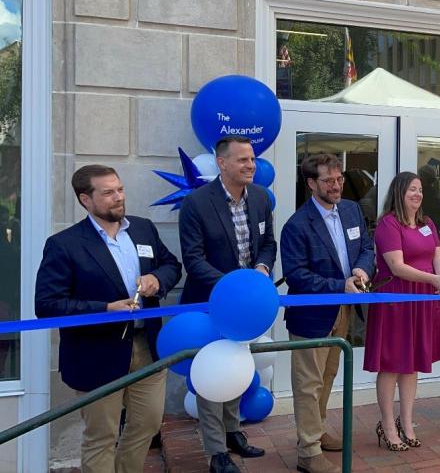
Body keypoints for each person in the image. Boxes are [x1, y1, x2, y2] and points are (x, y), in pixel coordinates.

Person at [35, 165, 182, 473]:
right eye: (108, 193)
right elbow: (47, 305)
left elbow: (171, 264)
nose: (119, 197)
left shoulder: (143, 228)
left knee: (148, 424)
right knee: (101, 436)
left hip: (148, 348)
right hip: (96, 355)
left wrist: (158, 277)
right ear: (85, 200)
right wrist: (104, 309)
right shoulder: (64, 244)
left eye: (120, 189)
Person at [179, 135, 277, 473]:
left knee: (237, 366)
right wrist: (232, 287)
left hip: (246, 305)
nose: (251, 165)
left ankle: (233, 432)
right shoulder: (196, 204)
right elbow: (193, 260)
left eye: (252, 159)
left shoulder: (262, 198)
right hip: (210, 303)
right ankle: (216, 452)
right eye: (243, 160)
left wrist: (263, 268)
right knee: (212, 375)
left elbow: (268, 243)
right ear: (221, 163)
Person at [281, 154, 375, 473]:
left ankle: (317, 430)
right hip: (312, 314)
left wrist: (361, 270)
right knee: (308, 382)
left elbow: (366, 247)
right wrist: (340, 284)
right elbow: (296, 275)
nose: (336, 187)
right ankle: (308, 452)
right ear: (311, 184)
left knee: (327, 375)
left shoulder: (350, 210)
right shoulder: (296, 225)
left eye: (339, 180)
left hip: (344, 310)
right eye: (328, 181)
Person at [364, 171, 440, 452]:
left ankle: (408, 422)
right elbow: (397, 266)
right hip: (397, 299)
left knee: (412, 362)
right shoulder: (388, 225)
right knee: (392, 363)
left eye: (419, 190)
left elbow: (438, 254)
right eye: (411, 190)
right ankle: (388, 426)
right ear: (399, 193)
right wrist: (434, 280)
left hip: (423, 298)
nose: (417, 194)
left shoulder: (427, 222)